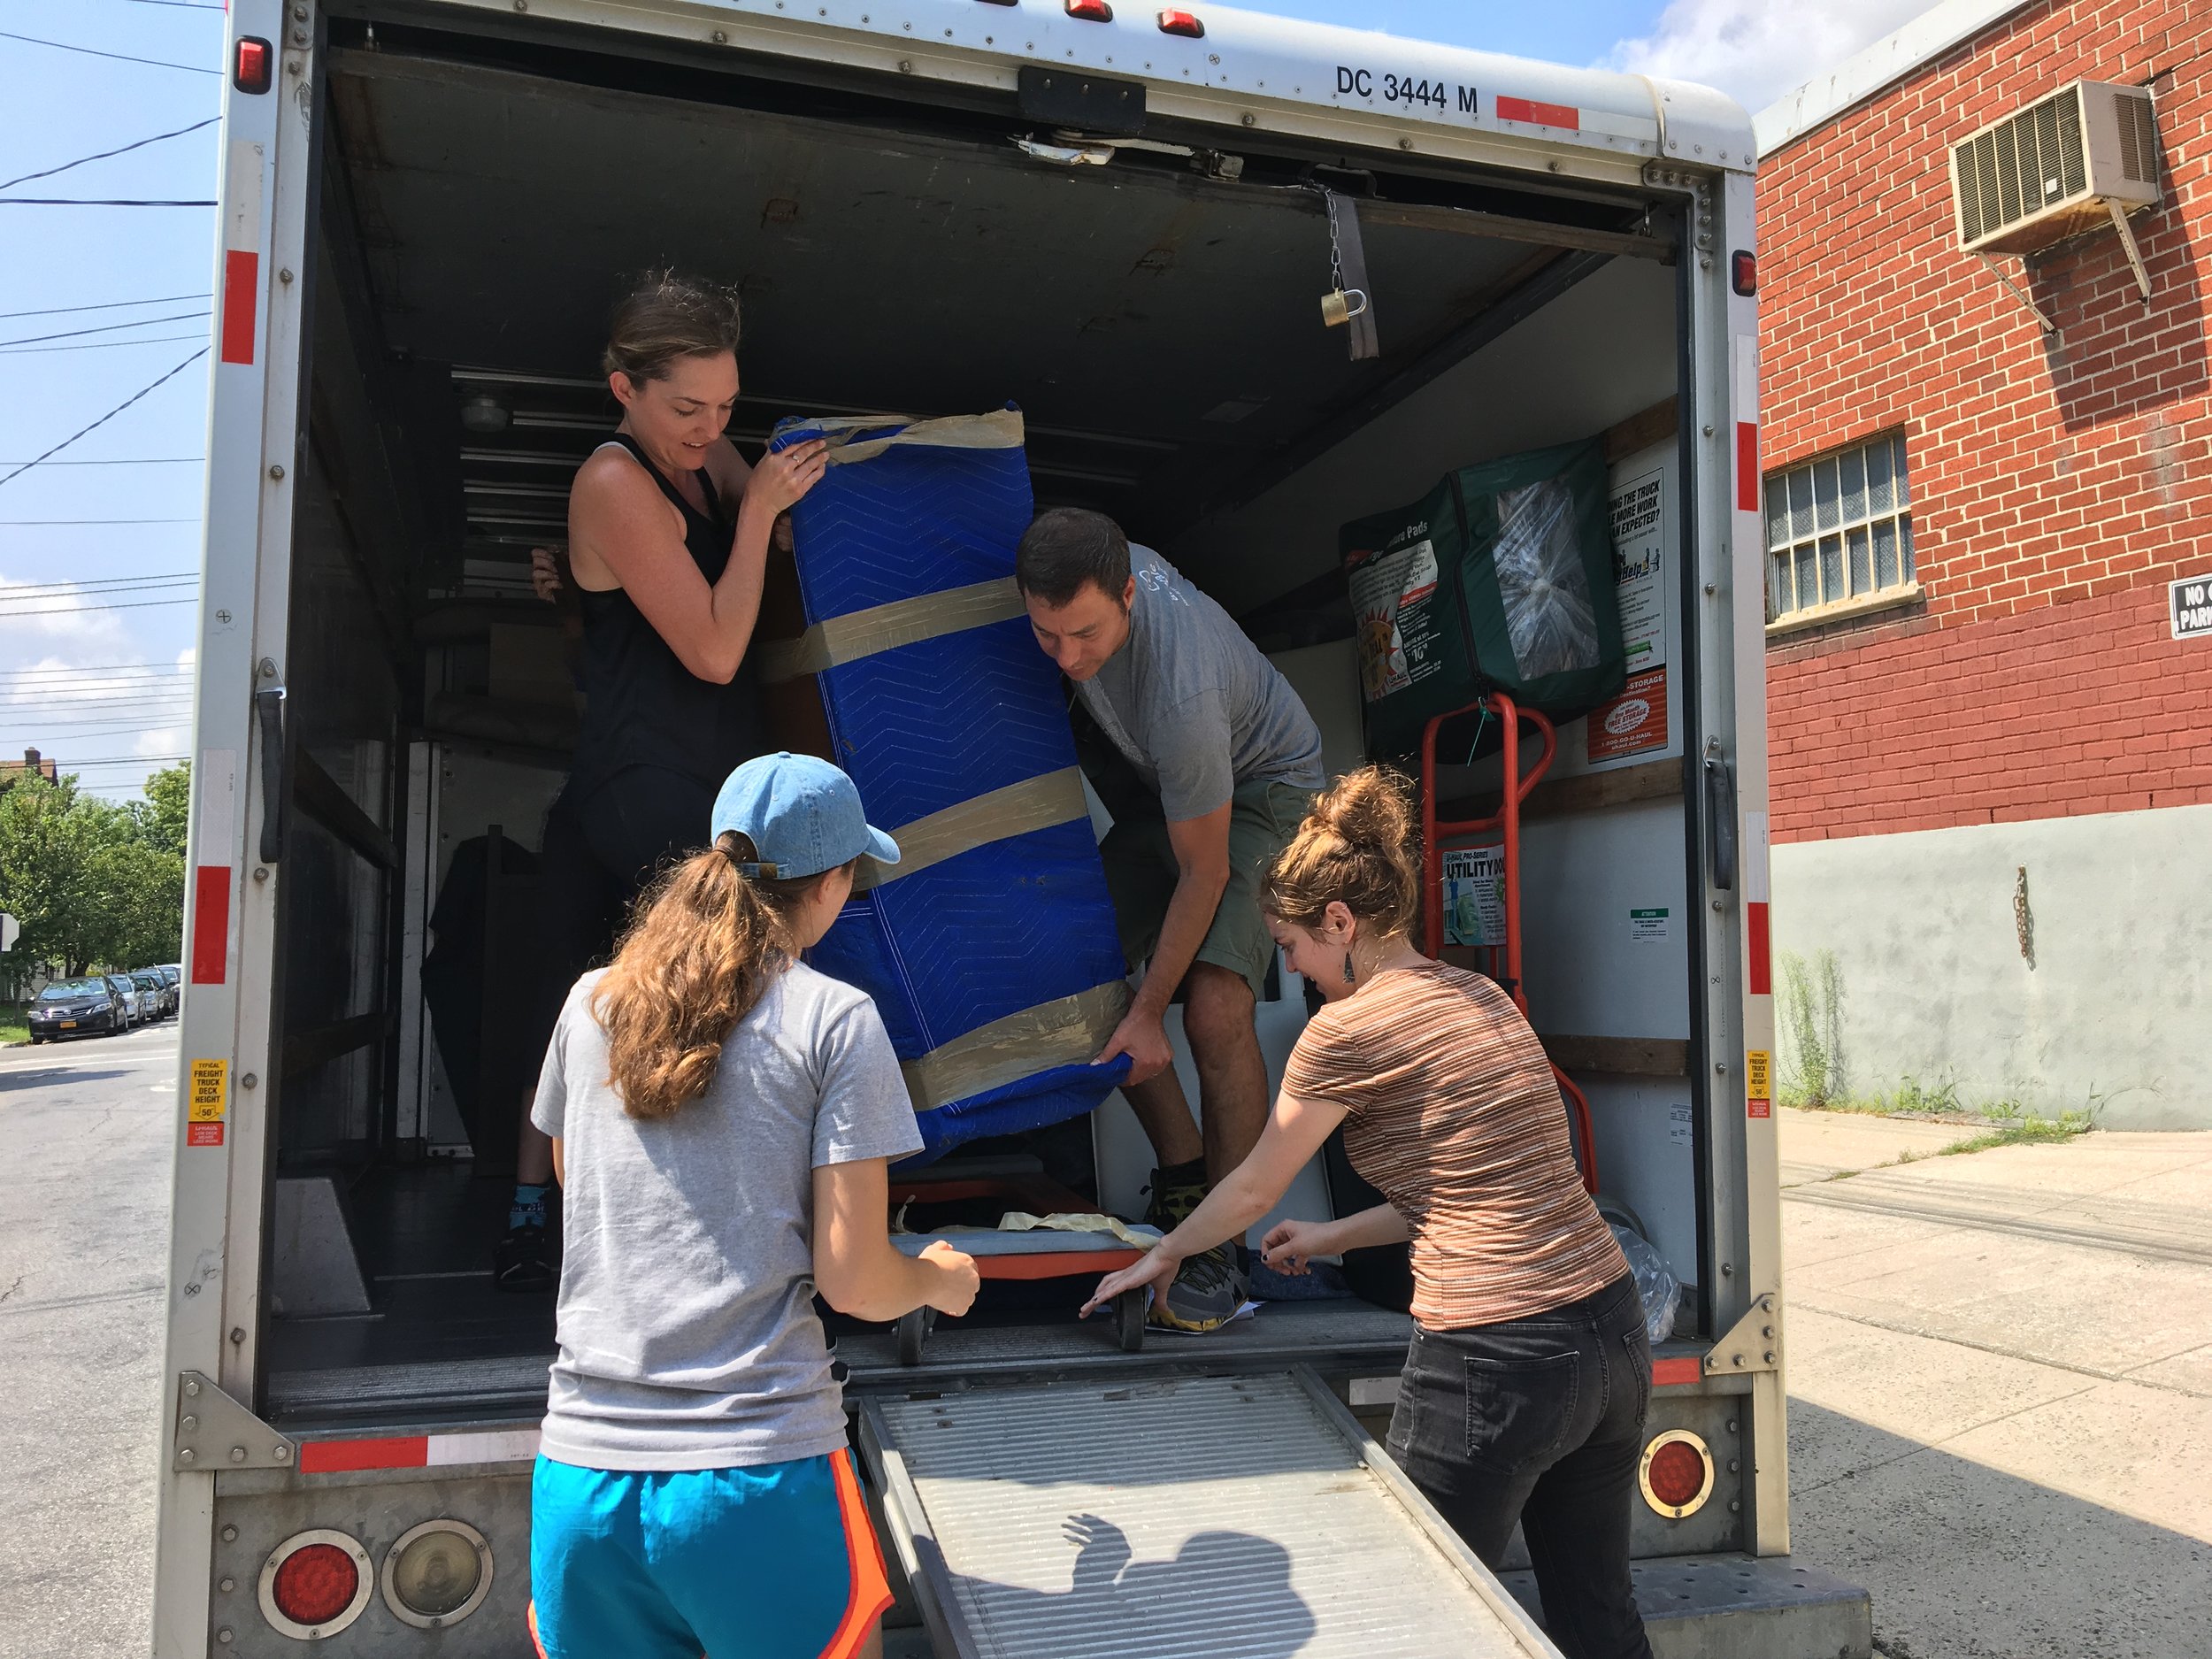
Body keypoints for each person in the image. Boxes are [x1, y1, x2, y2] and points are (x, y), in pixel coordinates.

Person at [1082, 767, 1654, 1659]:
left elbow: (1251, 1186)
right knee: (1596, 1616)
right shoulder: (1479, 996)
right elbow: (1477, 1187)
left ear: (1340, 924)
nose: (1296, 971)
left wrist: (1161, 1256)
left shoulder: (1348, 1030)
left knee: (1414, 1617)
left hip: (1497, 1351)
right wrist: (1334, 1235)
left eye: (1294, 948)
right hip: (1610, 1336)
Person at [527, 751, 980, 1659]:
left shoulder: (590, 1006)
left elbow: (584, 1191)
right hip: (754, 1480)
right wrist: (934, 1279)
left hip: (581, 1483)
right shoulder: (834, 1020)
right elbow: (852, 1281)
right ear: (835, 880)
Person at [497, 271, 830, 1289]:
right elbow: (718, 648)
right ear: (623, 391)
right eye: (687, 408)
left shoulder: (699, 453)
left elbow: (761, 525)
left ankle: (552, 1214)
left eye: (726, 406)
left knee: (634, 1003)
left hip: (696, 778)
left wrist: (757, 497)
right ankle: (559, 1219)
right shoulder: (613, 482)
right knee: (665, 1009)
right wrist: (759, 505)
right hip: (637, 782)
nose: (709, 427)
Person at [1016, 508, 1325, 1333]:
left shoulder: (1179, 689)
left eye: (1085, 633)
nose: (1069, 657)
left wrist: (1151, 1009)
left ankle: (1224, 1239)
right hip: (1168, 797)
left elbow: (1207, 868)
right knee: (1076, 969)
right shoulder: (1086, 567)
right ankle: (1187, 1181)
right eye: (1048, 636)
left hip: (1265, 790)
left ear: (1128, 594)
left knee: (1215, 1006)